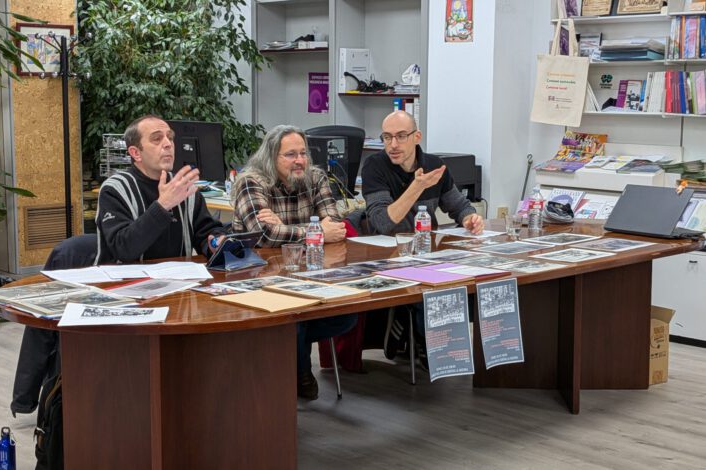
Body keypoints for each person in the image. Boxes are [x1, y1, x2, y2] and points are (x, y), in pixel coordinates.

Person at [231, 124, 356, 400]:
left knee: (348, 314)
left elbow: (336, 227)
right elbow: (263, 235)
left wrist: (285, 228)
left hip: (310, 275)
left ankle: (289, 351)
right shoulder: (250, 182)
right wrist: (314, 231)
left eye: (303, 153)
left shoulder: (316, 177)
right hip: (260, 279)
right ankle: (299, 371)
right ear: (271, 157)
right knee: (293, 318)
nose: (299, 160)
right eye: (290, 155)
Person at [361, 110, 485, 365]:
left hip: (426, 252)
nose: (393, 145)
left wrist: (470, 218)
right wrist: (416, 187)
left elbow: (459, 206)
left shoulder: (433, 165)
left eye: (400, 136)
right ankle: (427, 347)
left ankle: (430, 343)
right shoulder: (375, 166)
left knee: (473, 282)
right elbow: (383, 222)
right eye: (387, 137)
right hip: (388, 256)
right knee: (430, 290)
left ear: (416, 137)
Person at [95, 115, 226, 264]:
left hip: (177, 275)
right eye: (157, 139)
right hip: (124, 277)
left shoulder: (183, 186)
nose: (168, 144)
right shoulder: (114, 189)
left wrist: (215, 242)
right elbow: (123, 249)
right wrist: (163, 205)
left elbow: (205, 232)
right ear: (136, 153)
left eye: (170, 138)